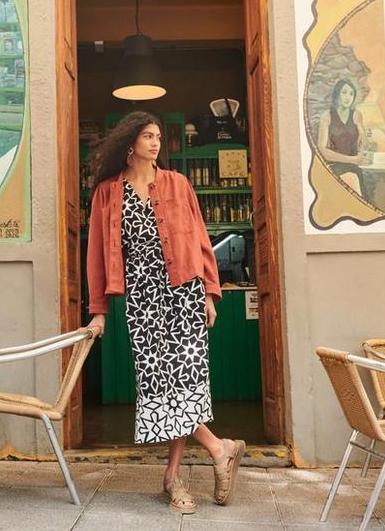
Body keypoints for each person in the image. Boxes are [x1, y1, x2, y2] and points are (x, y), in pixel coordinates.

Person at [85, 111, 246, 515]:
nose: (156, 143)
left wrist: (210, 291)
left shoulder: (178, 183)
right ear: (130, 143)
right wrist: (99, 310)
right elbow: (96, 255)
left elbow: (200, 239)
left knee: (184, 384)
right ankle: (218, 447)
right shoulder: (107, 192)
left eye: (158, 136)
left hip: (184, 293)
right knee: (159, 385)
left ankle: (173, 480)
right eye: (147, 136)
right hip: (142, 299)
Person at [317, 78, 370, 193]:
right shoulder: (327, 117)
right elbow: (322, 151)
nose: (348, 97)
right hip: (336, 165)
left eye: (351, 94)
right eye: (344, 92)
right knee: (351, 180)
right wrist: (353, 159)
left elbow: (365, 144)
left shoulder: (356, 115)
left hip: (355, 166)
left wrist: (363, 133)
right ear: (337, 94)